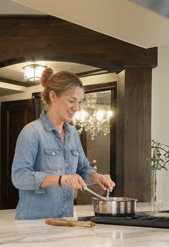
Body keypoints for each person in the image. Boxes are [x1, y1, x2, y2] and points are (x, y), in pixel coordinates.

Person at [11, 68, 116, 220]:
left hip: (66, 220)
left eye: (80, 102)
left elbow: (83, 169)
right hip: (34, 223)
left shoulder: (73, 133)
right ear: (53, 96)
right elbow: (19, 177)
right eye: (72, 101)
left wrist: (97, 177)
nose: (77, 108)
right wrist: (61, 179)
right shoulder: (32, 132)